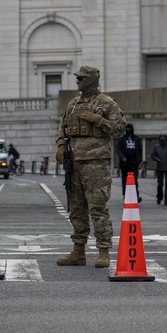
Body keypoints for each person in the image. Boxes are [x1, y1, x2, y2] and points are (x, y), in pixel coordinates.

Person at [55, 65, 126, 268]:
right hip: (74, 163)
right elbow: (63, 128)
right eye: (77, 78)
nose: (77, 81)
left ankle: (103, 251)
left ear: (93, 79)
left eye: (82, 78)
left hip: (96, 163)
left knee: (97, 207)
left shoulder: (106, 103)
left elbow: (120, 129)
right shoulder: (73, 104)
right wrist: (61, 145)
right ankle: (78, 251)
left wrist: (97, 119)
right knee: (76, 209)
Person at [116, 123, 142, 202]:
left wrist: (138, 160)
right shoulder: (122, 139)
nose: (128, 130)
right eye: (127, 128)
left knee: (134, 180)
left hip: (134, 163)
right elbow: (118, 149)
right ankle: (125, 196)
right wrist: (122, 157)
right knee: (124, 181)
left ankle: (135, 196)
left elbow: (140, 151)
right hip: (125, 164)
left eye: (129, 128)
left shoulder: (136, 139)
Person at [150, 134, 167, 206]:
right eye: (161, 139)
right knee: (160, 184)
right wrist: (157, 159)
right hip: (159, 167)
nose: (162, 140)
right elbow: (152, 155)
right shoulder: (156, 147)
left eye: (164, 139)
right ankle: (159, 197)